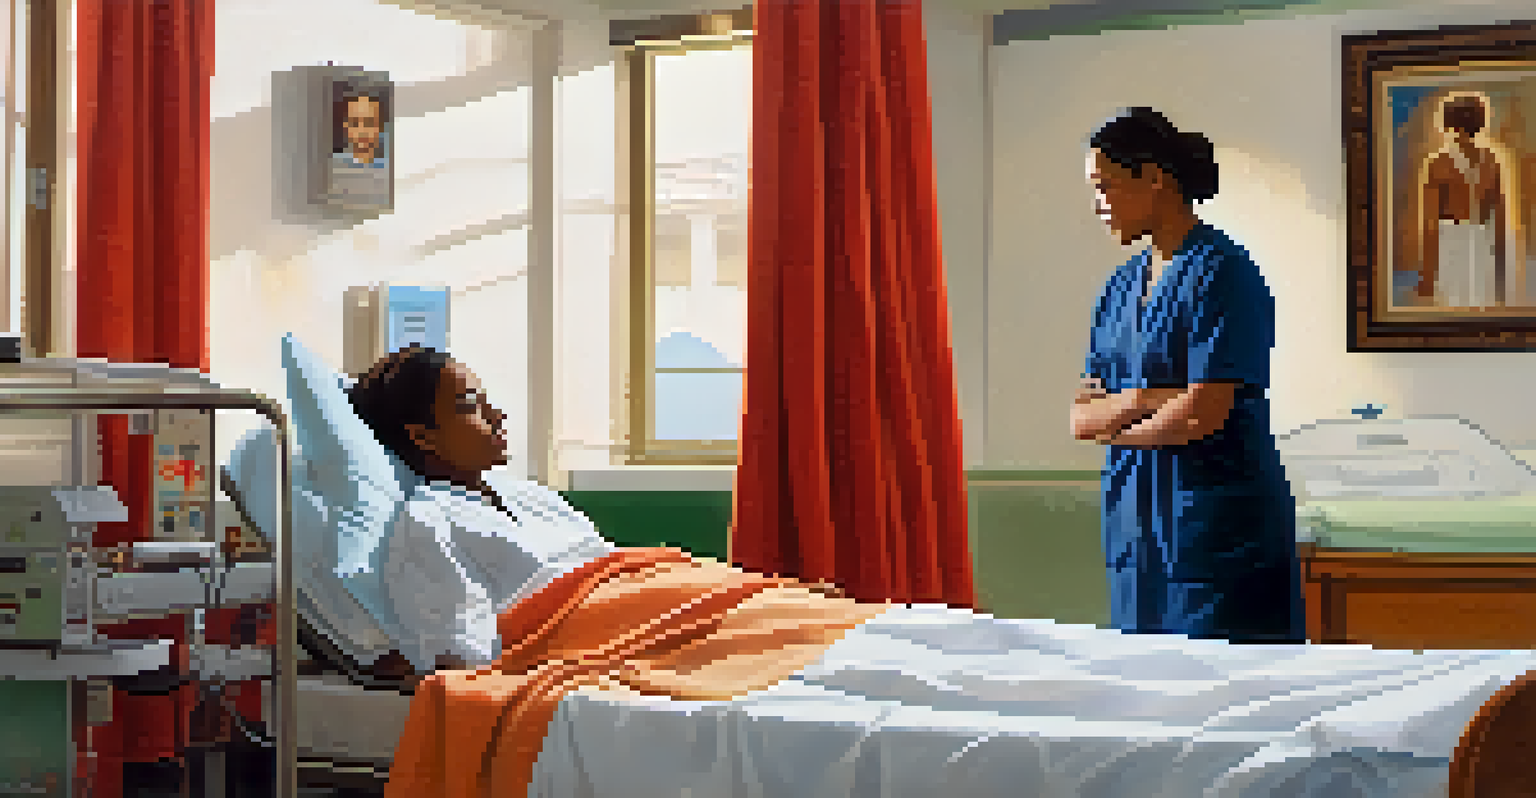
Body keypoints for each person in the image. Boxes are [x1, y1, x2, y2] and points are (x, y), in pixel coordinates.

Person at [1071, 107, 1304, 644]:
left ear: (1153, 178)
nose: (1097, 205)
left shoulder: (1225, 274)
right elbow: (1081, 418)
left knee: (1232, 696)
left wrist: (1119, 422)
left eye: (1105, 187)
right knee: (1148, 699)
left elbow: (1201, 414)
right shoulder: (1118, 288)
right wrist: (1155, 398)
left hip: (1215, 531)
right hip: (1136, 529)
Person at [1418, 93, 1506, 307]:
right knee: (1481, 311)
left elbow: (1430, 225)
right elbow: (1500, 220)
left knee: (1452, 314)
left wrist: (1427, 277)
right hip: (1483, 243)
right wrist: (1501, 274)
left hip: (1451, 244)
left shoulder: (1439, 162)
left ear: (1449, 123)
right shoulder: (1492, 160)